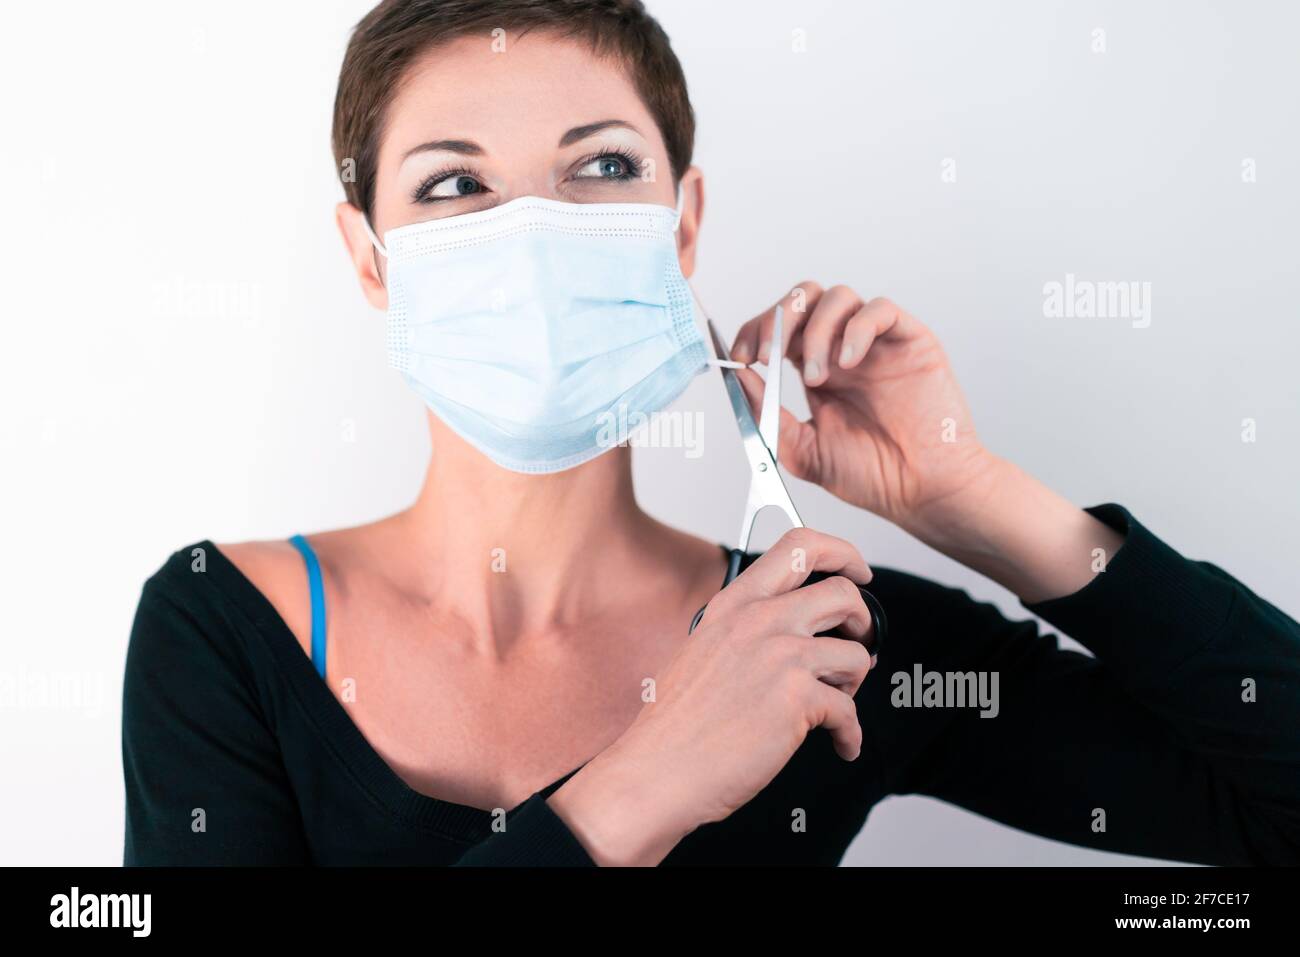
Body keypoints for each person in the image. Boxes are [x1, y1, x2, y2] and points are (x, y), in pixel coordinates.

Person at [122, 0, 1300, 866]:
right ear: (369, 260)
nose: (532, 230)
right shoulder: (220, 628)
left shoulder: (823, 638)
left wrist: (969, 497)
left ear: (680, 227)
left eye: (600, 166)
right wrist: (636, 789)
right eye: (452, 187)